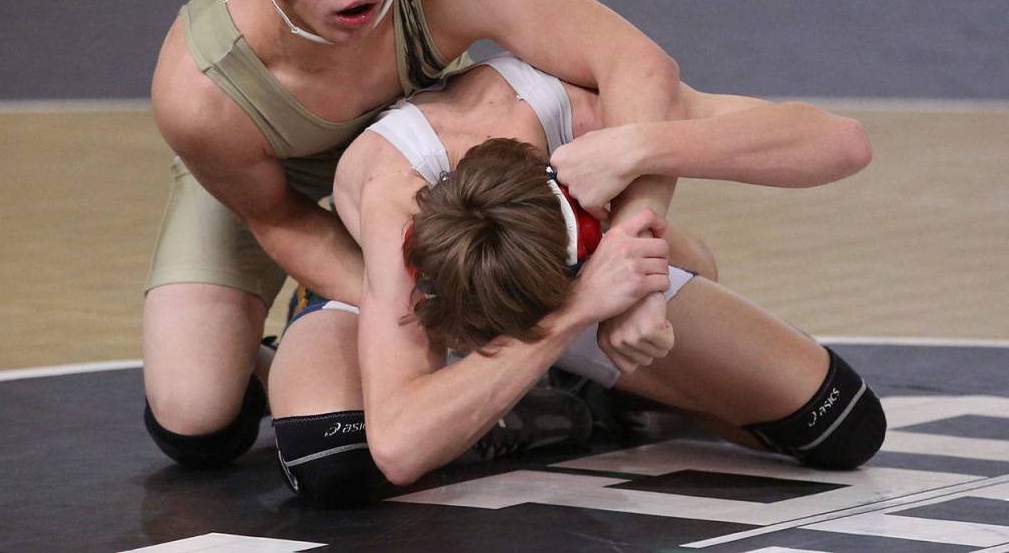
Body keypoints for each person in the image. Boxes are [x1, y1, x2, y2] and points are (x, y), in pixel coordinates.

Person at [144, 0, 684, 471]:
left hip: (424, 168)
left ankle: (617, 266)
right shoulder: (202, 86)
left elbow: (637, 65)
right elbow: (277, 219)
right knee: (195, 418)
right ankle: (290, 341)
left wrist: (635, 236)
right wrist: (426, 306)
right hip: (271, 184)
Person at [269, 53, 883, 505]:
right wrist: (570, 315)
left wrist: (642, 152)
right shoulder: (396, 209)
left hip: (588, 285)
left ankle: (587, 386)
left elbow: (842, 144)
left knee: (840, 424)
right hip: (446, 299)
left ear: (580, 206)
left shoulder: (578, 117)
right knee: (335, 457)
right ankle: (548, 385)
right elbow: (398, 447)